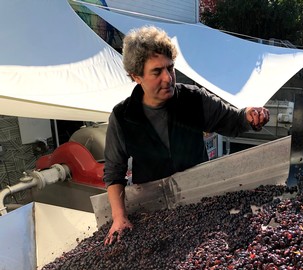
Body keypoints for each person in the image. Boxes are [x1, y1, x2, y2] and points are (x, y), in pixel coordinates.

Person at [103, 26, 270, 245]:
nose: (168, 78)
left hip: (202, 201)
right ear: (136, 76)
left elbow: (232, 121)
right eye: (157, 71)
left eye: (170, 68)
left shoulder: (193, 99)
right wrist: (119, 217)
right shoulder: (122, 117)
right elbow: (114, 172)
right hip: (154, 212)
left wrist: (249, 116)